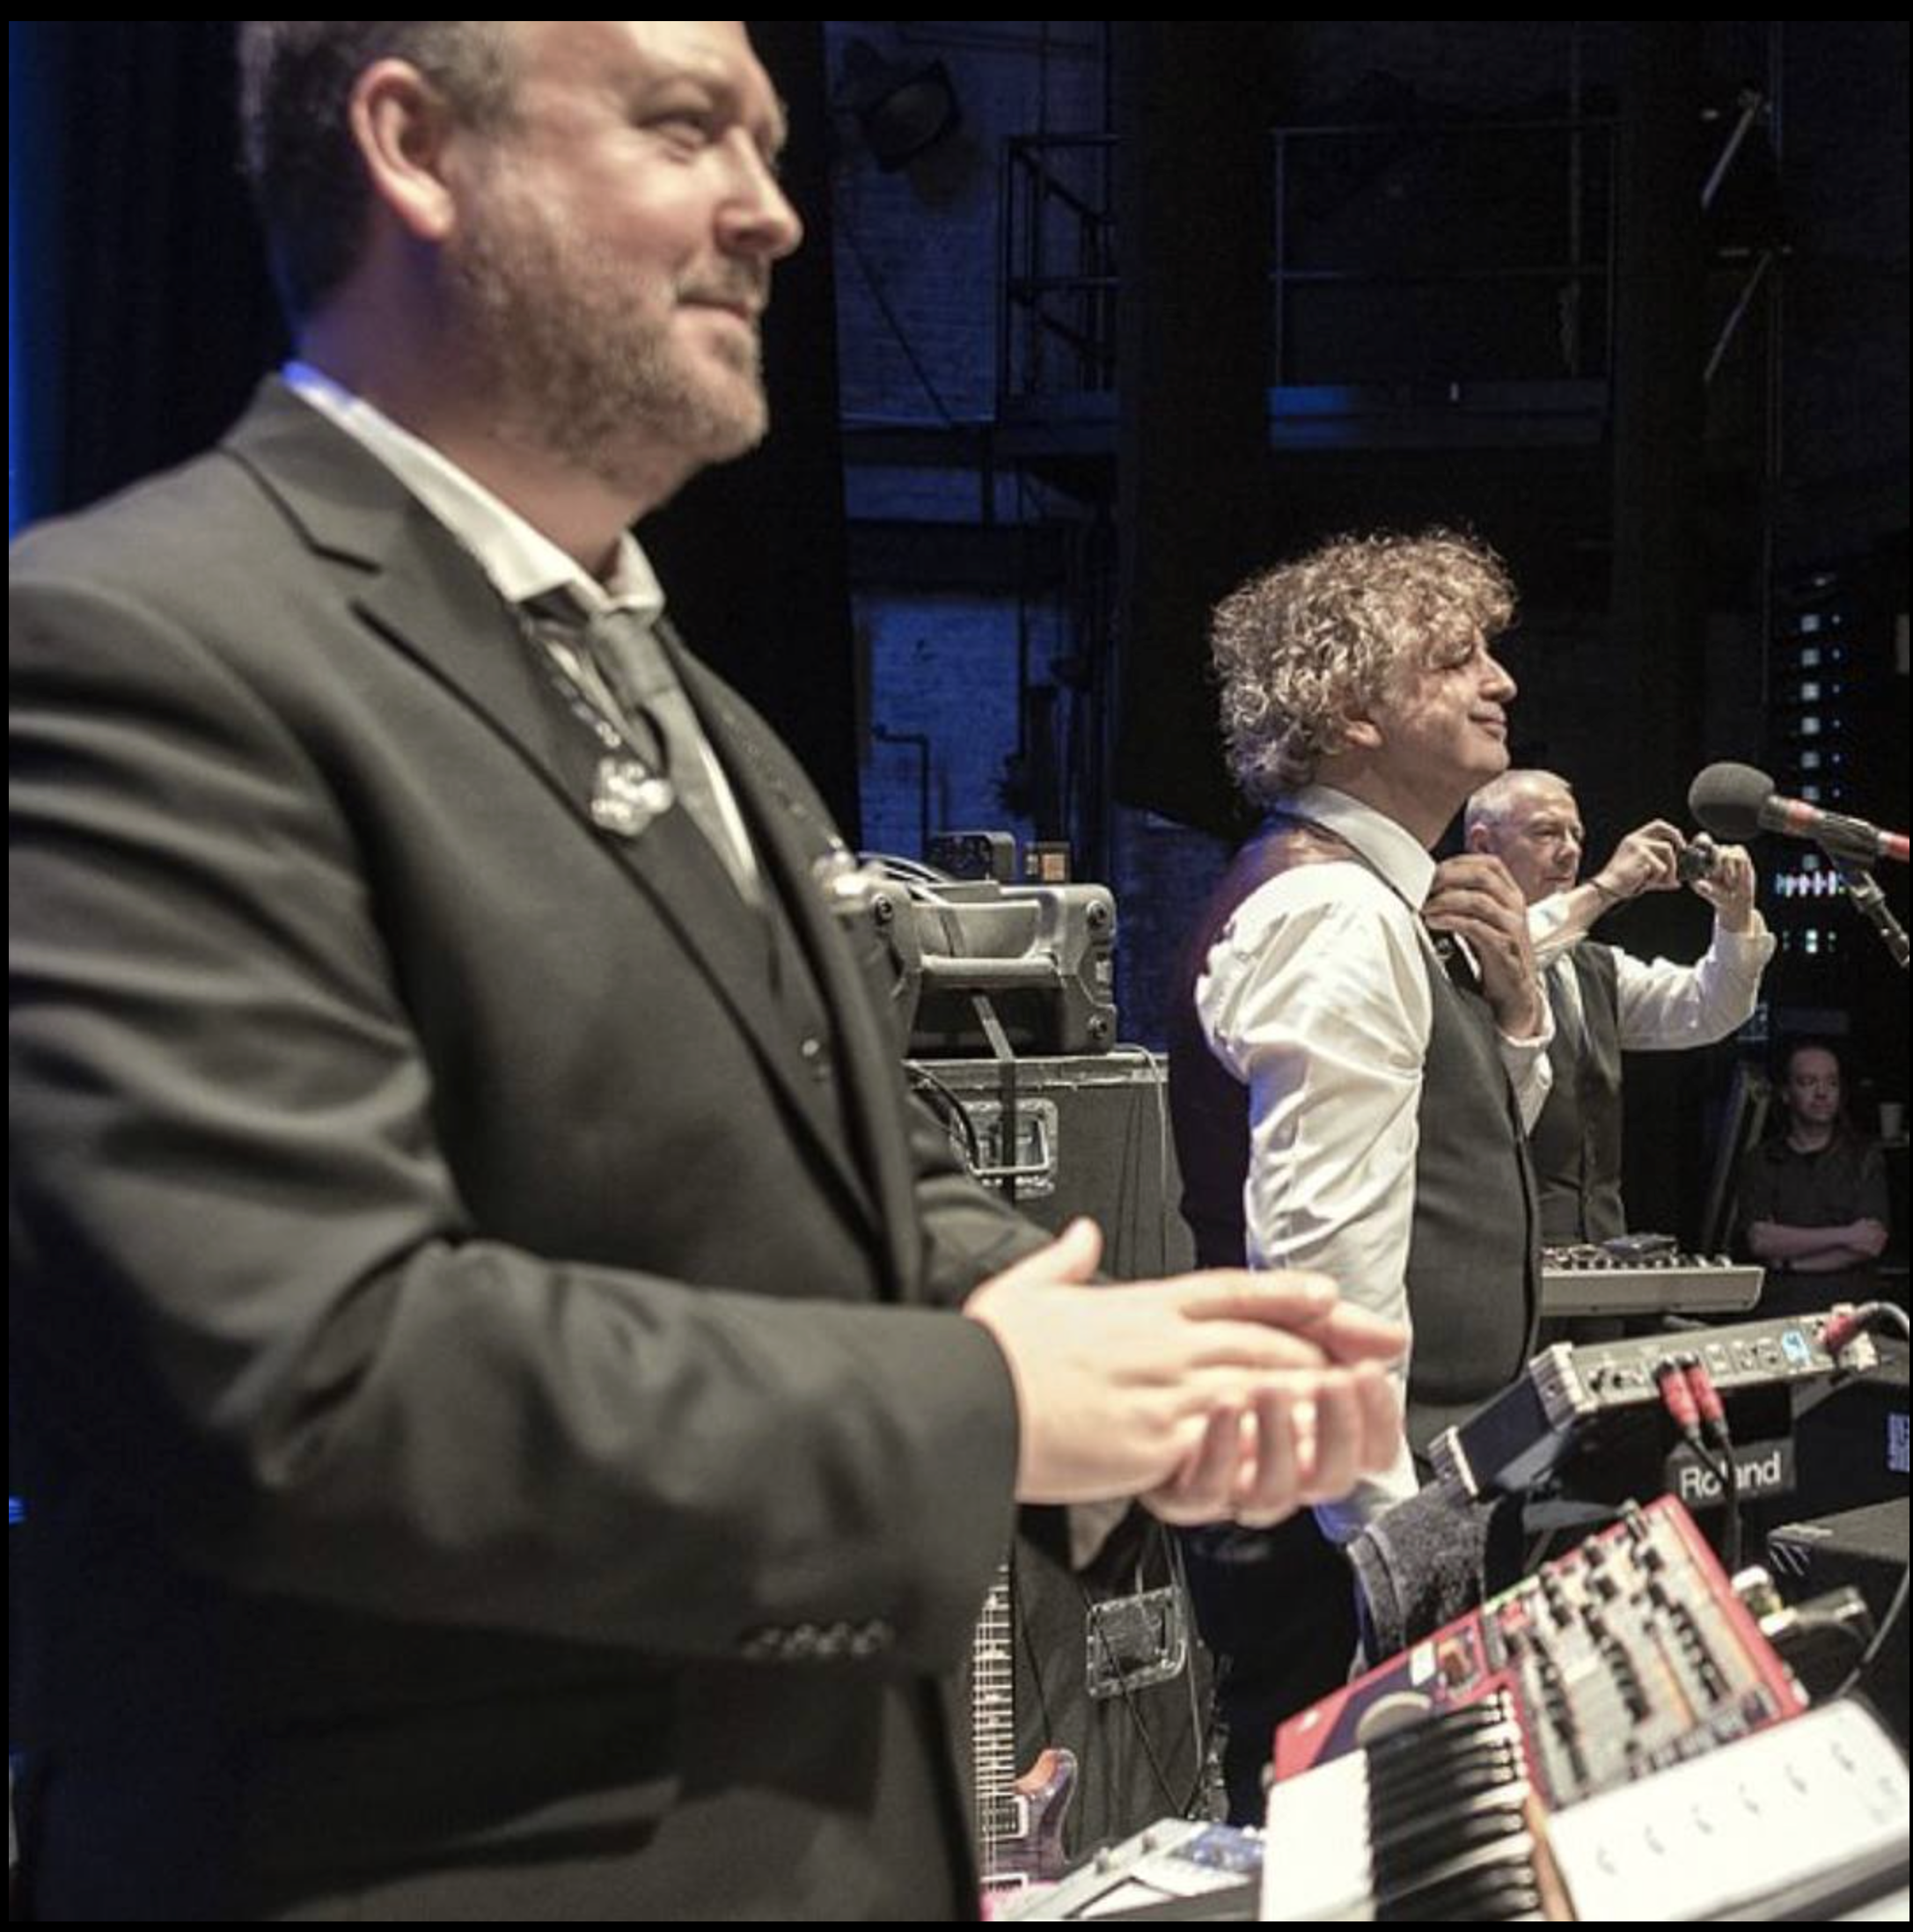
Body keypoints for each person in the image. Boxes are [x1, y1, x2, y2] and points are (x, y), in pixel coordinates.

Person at [8, 23, 1404, 1920]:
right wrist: (988, 1408)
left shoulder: (694, 704)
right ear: (418, 148)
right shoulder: (135, 647)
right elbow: (310, 1380)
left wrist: (1131, 1368)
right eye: (684, 133)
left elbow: (850, 1183)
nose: (771, 213)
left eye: (765, 141)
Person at [1166, 528, 1549, 1815]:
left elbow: (1441, 1156)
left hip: (1367, 1507)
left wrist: (1512, 1024)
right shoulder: (1334, 913)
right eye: (1452, 660)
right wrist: (1397, 1542)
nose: (1497, 680)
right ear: (1346, 711)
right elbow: (1319, 1275)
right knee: (1351, 1865)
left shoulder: (1375, 900)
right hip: (1347, 1531)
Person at [1462, 769, 1775, 1245]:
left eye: (1577, 835)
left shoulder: (1594, 967)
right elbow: (1512, 950)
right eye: (1546, 832)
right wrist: (1608, 886)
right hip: (1492, 1250)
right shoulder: (1452, 940)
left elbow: (1711, 1009)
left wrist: (1734, 919)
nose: (1569, 851)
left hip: (1598, 1246)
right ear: (1483, 846)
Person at [1740, 1040, 1890, 1316]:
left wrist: (1789, 1261)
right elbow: (1761, 1240)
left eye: (1831, 1083)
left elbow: (1871, 1243)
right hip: (1780, 1306)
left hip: (1850, 1307)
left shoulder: (1864, 1157)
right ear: (1786, 1093)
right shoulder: (1761, 1159)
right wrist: (1846, 1234)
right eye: (1808, 1082)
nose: (1822, 1093)